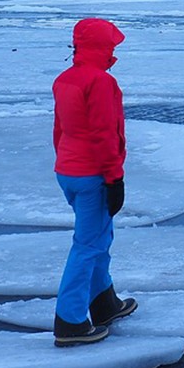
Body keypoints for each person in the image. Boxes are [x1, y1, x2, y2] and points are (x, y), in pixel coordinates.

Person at [51, 18, 137, 347]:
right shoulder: (101, 82)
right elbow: (104, 134)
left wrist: (67, 165)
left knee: (100, 236)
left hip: (69, 172)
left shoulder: (66, 79)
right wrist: (114, 178)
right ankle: (70, 321)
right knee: (88, 246)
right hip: (93, 174)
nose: (115, 50)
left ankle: (104, 303)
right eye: (111, 45)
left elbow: (60, 130)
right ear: (101, 46)